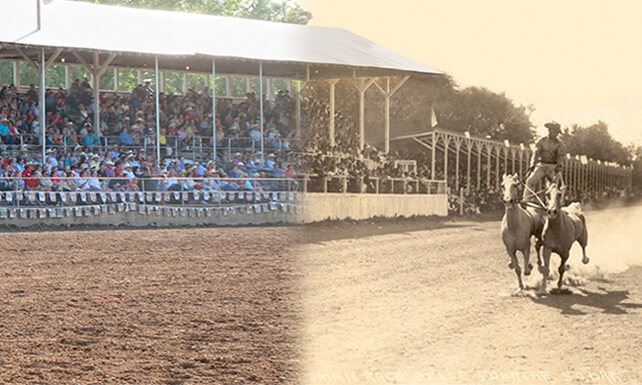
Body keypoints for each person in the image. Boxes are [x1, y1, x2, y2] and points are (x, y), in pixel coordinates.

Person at [523, 121, 565, 203]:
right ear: (549, 130)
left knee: (556, 186)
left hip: (553, 167)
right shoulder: (541, 141)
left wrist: (558, 167)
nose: (555, 134)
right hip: (541, 165)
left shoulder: (560, 144)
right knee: (530, 181)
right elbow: (535, 154)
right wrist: (532, 165)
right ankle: (526, 199)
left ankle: (556, 202)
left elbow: (560, 157)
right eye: (554, 131)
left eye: (557, 132)